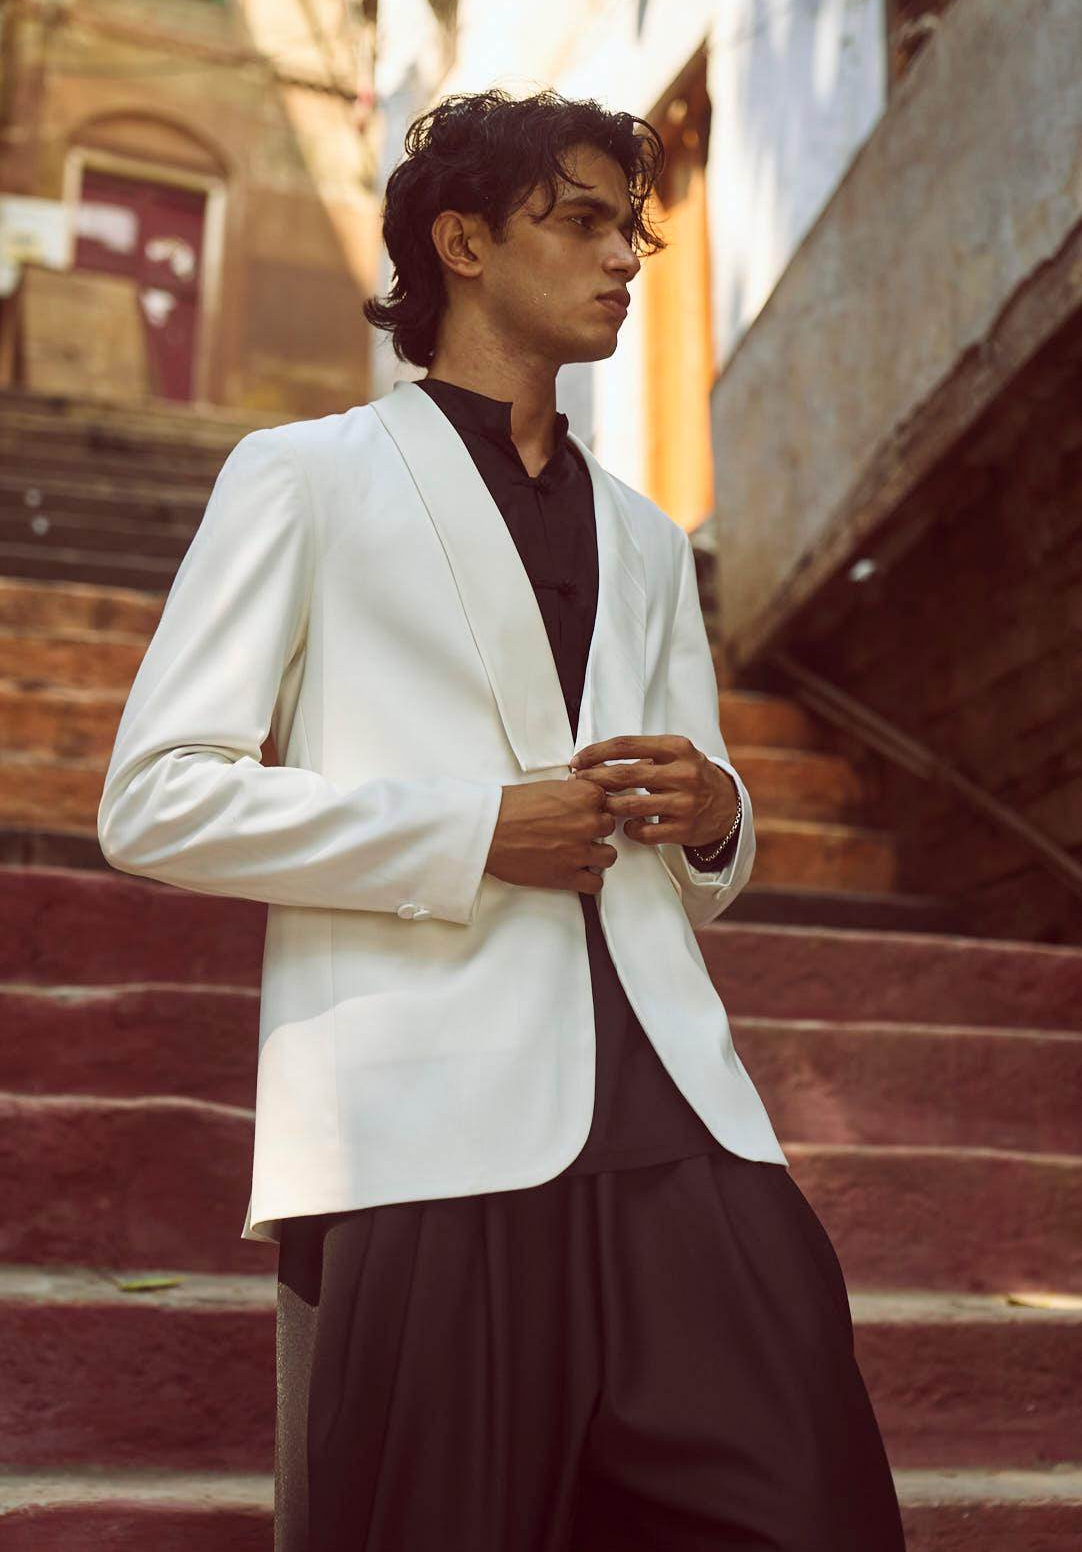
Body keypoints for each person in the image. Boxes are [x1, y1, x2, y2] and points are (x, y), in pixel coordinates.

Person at [97, 87, 906, 1551]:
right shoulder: (303, 478)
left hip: (674, 1104)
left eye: (629, 228)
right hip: (426, 1120)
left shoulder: (647, 536)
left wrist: (713, 813)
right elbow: (155, 800)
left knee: (812, 1501)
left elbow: (705, 862)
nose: (623, 257)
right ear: (461, 243)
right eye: (579, 221)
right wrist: (470, 833)